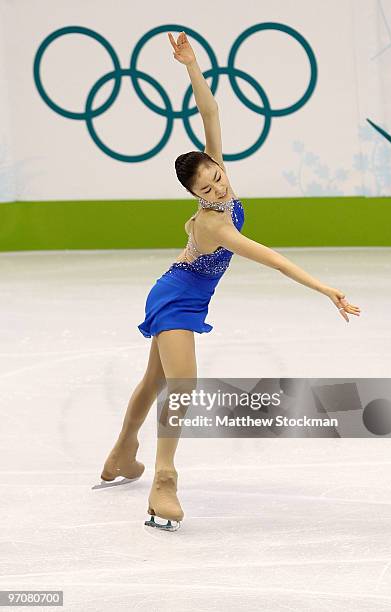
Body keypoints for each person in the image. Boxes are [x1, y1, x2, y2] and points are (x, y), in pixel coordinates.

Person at [93, 32, 361, 531]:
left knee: (154, 379)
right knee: (182, 382)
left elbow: (210, 112)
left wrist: (191, 67)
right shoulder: (216, 223)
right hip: (175, 297)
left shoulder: (222, 178)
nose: (219, 184)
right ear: (194, 194)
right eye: (206, 186)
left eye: (216, 175)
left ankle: (121, 453)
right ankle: (164, 480)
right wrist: (325, 288)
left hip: (184, 293)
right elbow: (274, 260)